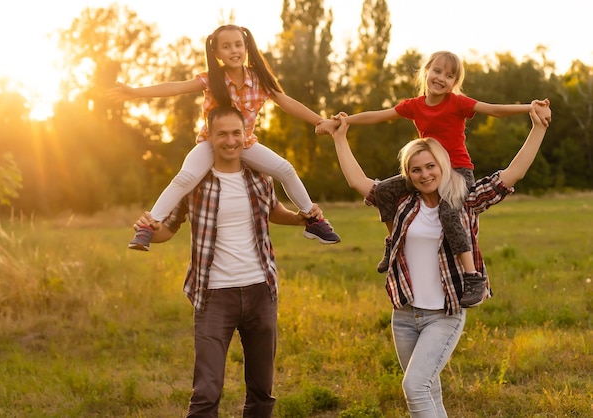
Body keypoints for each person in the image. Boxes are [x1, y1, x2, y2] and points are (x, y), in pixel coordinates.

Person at [328, 103, 551, 417]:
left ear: (443, 165)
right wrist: (340, 137)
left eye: (430, 166)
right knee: (428, 389)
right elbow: (357, 181)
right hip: (404, 314)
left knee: (414, 387)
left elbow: (511, 174)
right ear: (408, 174)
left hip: (444, 314)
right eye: (416, 169)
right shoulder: (404, 203)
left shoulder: (465, 200)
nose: (425, 174)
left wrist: (538, 127)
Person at [316, 50, 549, 307]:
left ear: (454, 83)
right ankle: (394, 241)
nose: (441, 78)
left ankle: (472, 276)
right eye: (437, 71)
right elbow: (378, 115)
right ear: (426, 71)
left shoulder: (457, 102)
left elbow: (493, 110)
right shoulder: (414, 105)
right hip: (428, 169)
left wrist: (530, 107)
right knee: (383, 190)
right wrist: (341, 123)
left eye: (449, 76)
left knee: (449, 212)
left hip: (457, 172)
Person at [134, 106, 323, 417]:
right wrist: (149, 231)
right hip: (213, 296)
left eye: (237, 133)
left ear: (246, 135)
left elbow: (273, 210)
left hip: (260, 290)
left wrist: (300, 219)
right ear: (209, 137)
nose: (231, 140)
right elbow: (167, 230)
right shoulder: (196, 181)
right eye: (222, 134)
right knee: (206, 391)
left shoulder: (260, 177)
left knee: (262, 391)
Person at [110, 24, 339, 252]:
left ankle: (312, 219)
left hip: (246, 144)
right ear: (217, 53)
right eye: (226, 47)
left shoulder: (259, 80)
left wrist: (319, 121)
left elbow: (286, 102)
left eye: (238, 45)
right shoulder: (212, 79)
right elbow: (176, 88)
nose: (234, 50)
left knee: (285, 169)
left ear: (246, 47)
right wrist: (135, 92)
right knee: (185, 177)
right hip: (212, 144)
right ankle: (149, 226)